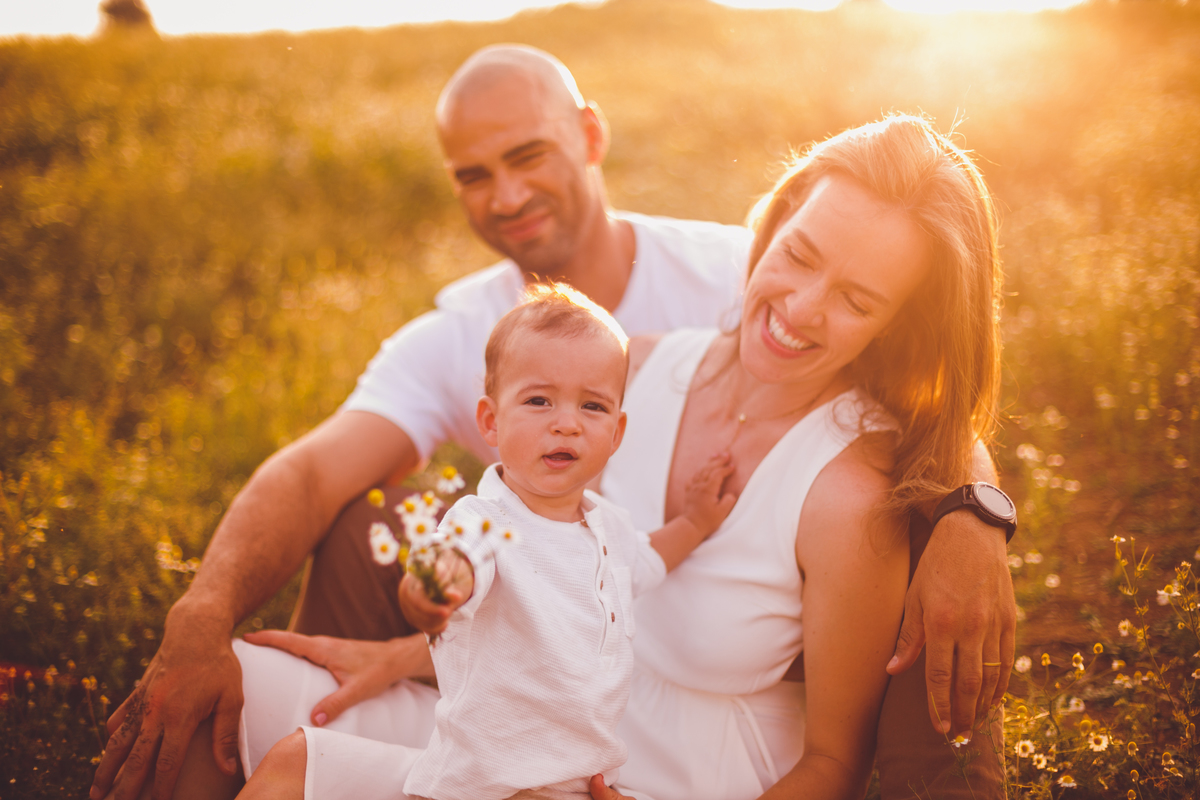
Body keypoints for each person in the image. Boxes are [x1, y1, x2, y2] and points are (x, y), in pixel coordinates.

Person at [91, 46, 1015, 800]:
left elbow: (833, 761)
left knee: (300, 768)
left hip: (658, 777)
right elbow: (587, 582)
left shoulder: (847, 485)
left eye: (856, 300)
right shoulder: (641, 364)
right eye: (799, 256)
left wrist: (977, 515)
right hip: (541, 719)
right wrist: (412, 650)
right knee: (229, 699)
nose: (801, 309)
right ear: (771, 230)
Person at [237, 284, 736, 800]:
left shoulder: (608, 529)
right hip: (479, 788)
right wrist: (431, 593)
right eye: (538, 400)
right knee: (292, 764)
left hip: (580, 789)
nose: (566, 423)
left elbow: (650, 557)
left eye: (592, 406)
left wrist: (696, 523)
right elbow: (453, 562)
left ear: (616, 432)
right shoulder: (484, 522)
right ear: (491, 421)